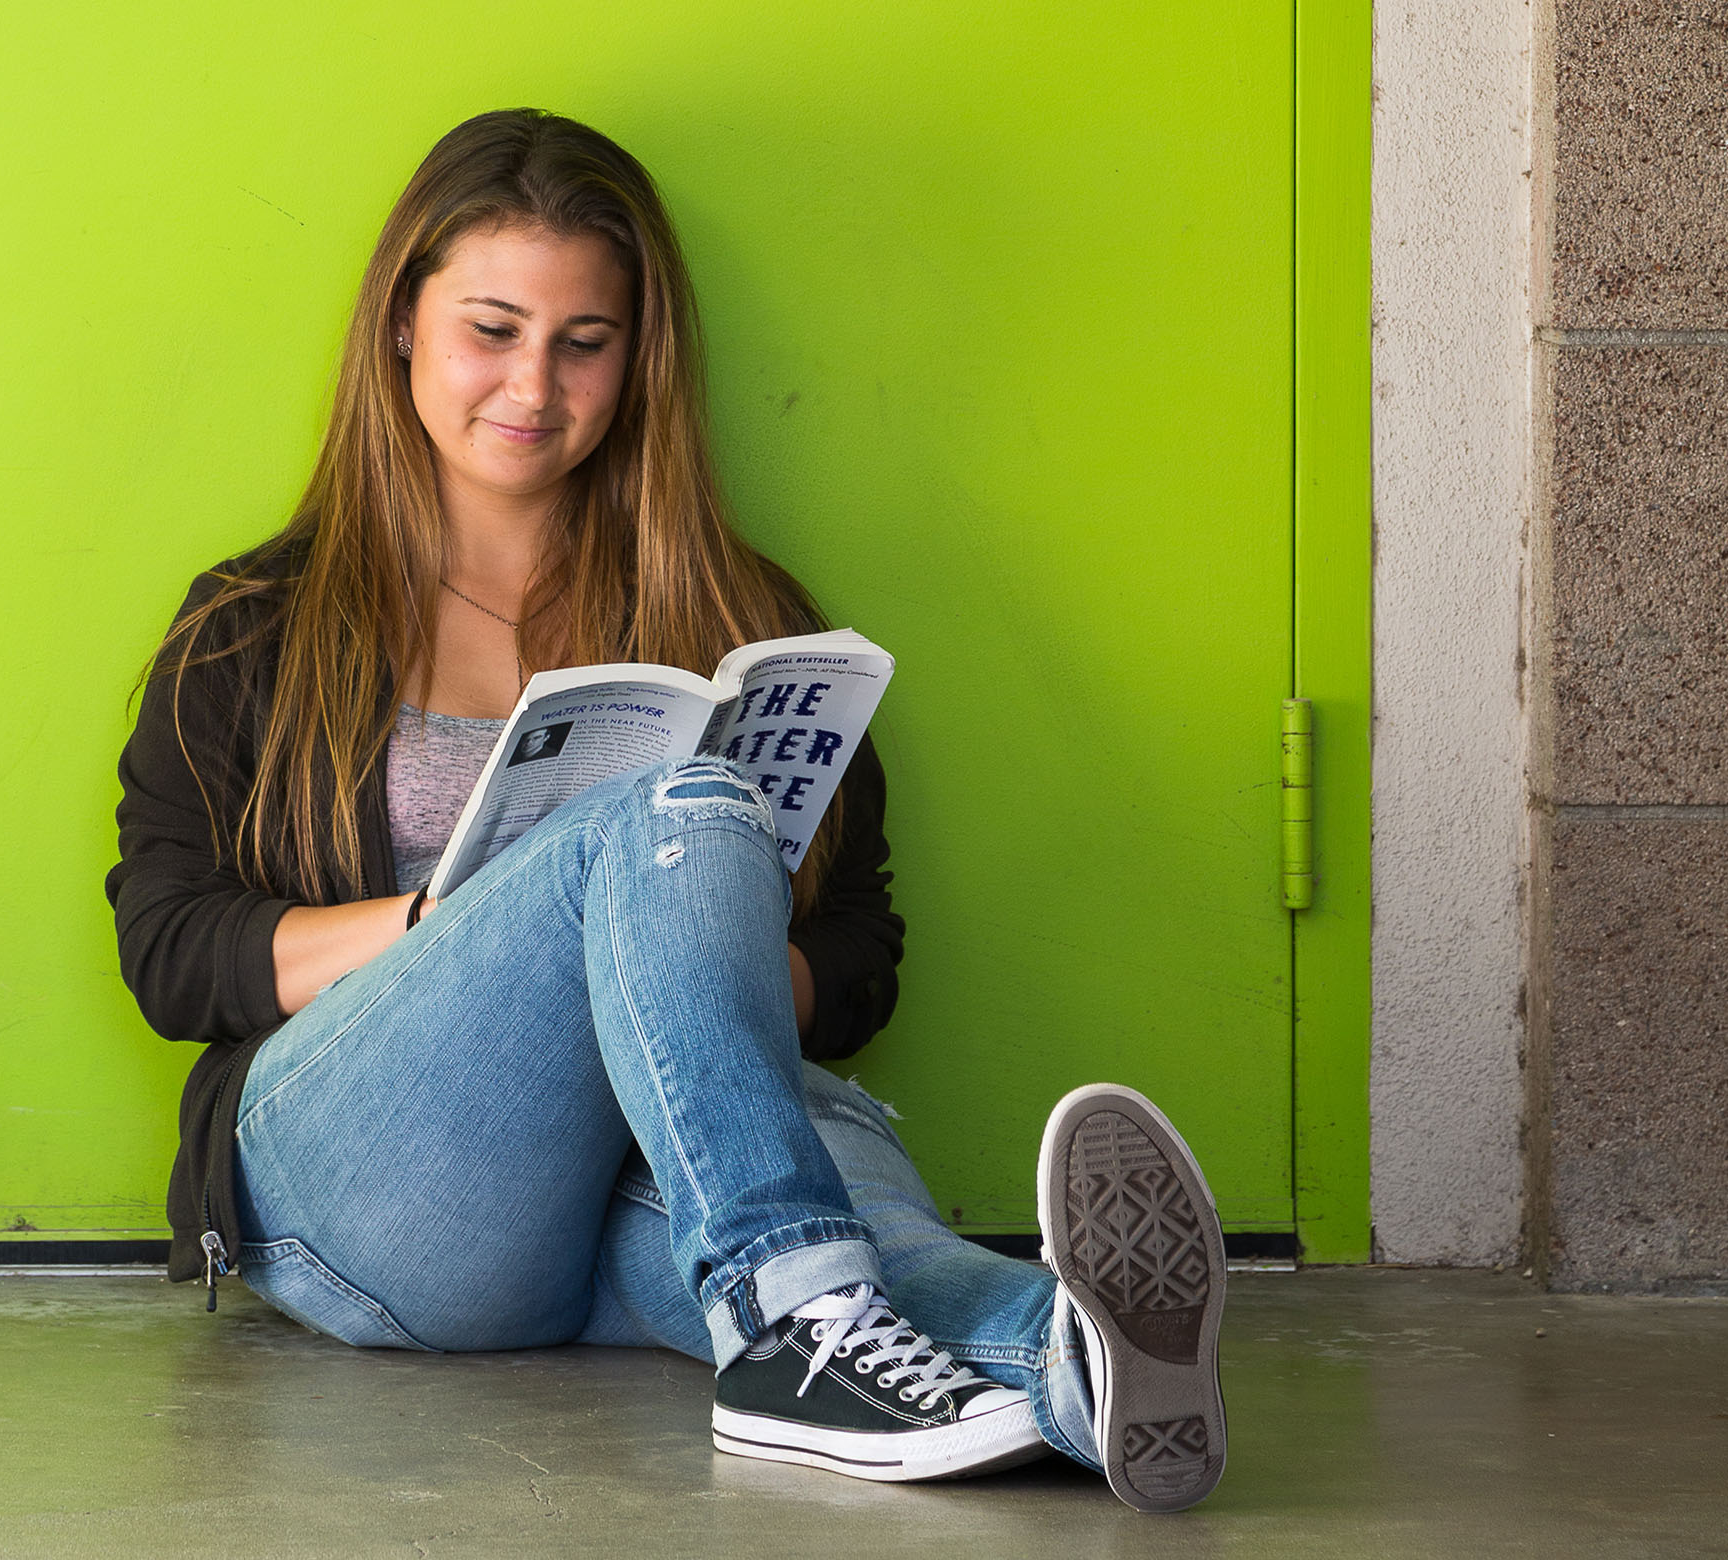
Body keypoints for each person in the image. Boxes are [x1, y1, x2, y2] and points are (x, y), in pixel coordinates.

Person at [107, 108, 1228, 1514]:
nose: (535, 384)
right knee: (670, 808)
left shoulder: (737, 619)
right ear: (402, 323)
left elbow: (864, 945)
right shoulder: (255, 625)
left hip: (664, 1168)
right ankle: (797, 1320)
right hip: (375, 1191)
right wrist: (463, 921)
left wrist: (682, 964)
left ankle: (1070, 1362)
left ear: (641, 360)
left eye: (586, 342)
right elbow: (168, 947)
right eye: (493, 329)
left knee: (875, 1243)